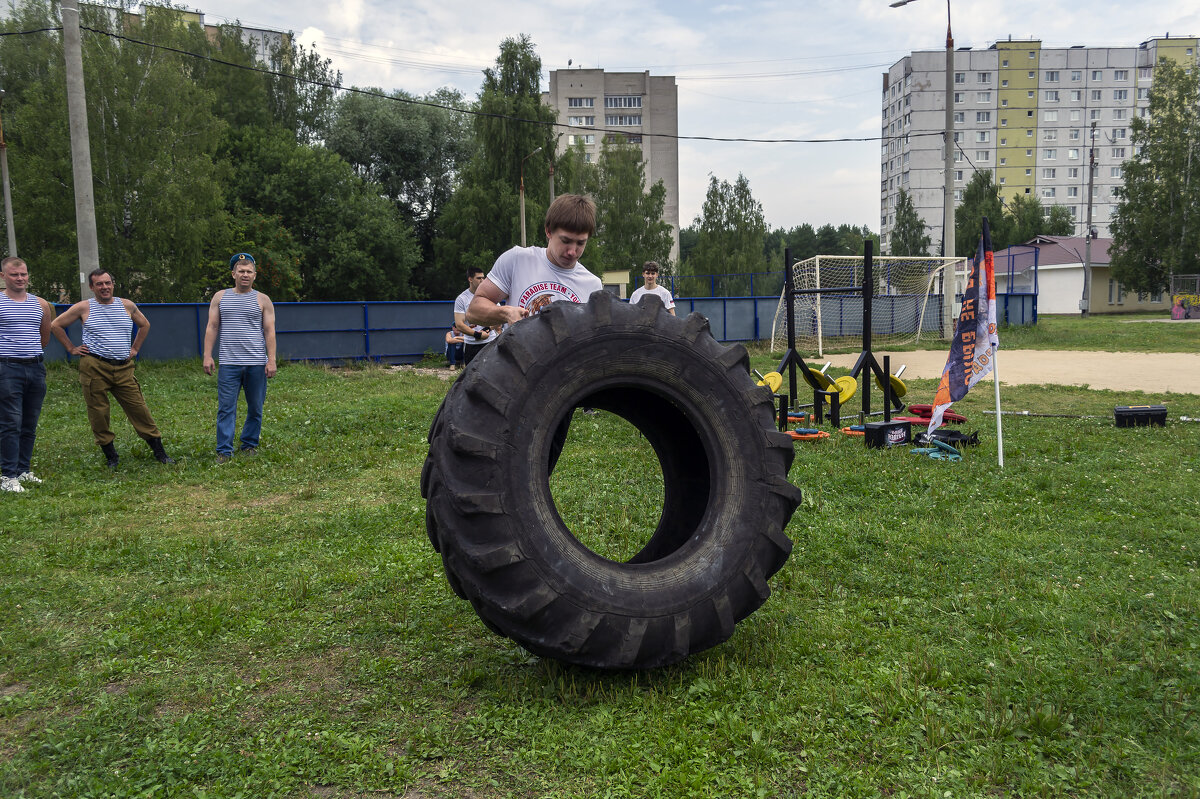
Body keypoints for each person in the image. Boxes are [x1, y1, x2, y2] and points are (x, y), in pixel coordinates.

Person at [49, 269, 175, 468]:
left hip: (124, 368)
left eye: (107, 283)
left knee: (139, 409)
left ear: (113, 284)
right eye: (99, 284)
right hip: (94, 366)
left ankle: (160, 452)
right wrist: (71, 348)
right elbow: (55, 325)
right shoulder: (83, 307)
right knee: (98, 412)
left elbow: (145, 325)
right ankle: (111, 456)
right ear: (92, 287)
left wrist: (135, 348)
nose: (104, 287)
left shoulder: (127, 305)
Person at [467, 194, 603, 329]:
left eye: (580, 243)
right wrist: (506, 313)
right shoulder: (517, 260)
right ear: (548, 231)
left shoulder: (593, 286)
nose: (572, 251)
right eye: (565, 241)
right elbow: (473, 311)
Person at [202, 253, 277, 463]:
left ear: (255, 275)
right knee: (226, 408)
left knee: (255, 407)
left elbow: (269, 331)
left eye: (249, 271)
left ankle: (249, 444)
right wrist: (207, 356)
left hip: (256, 363)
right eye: (241, 271)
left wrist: (271, 360)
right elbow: (212, 326)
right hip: (229, 363)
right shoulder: (220, 297)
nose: (245, 274)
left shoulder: (263, 299)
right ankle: (224, 451)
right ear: (233, 274)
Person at [0, 256, 52, 493]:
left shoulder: (40, 304)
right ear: (3, 276)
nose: (20, 278)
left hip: (35, 368)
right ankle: (8, 475)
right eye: (14, 274)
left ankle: (23, 470)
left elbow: (44, 337)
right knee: (11, 422)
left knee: (29, 423)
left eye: (23, 274)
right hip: (7, 368)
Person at [453, 266, 493, 367]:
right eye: (478, 278)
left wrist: (487, 329)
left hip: (490, 341)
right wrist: (477, 335)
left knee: (491, 372)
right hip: (471, 344)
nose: (482, 280)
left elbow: (499, 318)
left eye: (483, 278)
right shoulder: (462, 299)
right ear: (470, 279)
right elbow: (459, 324)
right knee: (472, 374)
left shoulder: (490, 295)